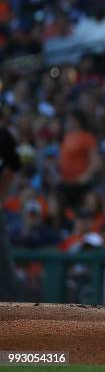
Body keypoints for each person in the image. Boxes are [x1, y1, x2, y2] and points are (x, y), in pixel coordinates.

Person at [0, 121, 22, 301]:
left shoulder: (4, 137)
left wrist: (1, 195)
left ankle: (15, 316)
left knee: (5, 268)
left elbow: (14, 167)